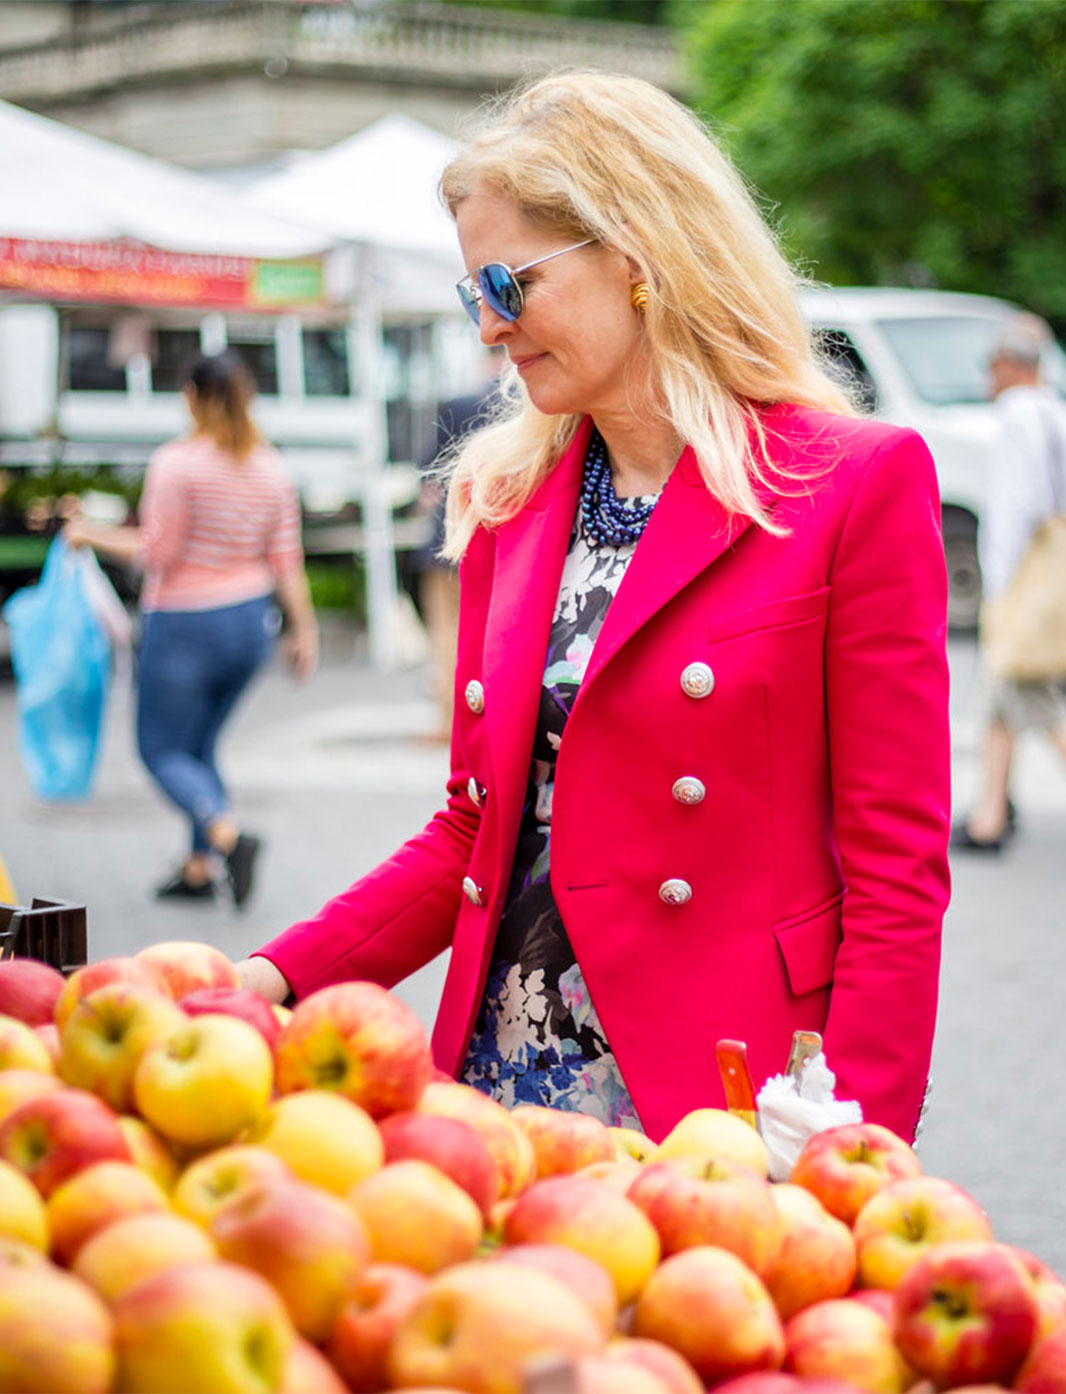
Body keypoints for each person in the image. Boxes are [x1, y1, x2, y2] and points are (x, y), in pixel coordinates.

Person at [239, 72, 950, 1144]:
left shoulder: (850, 482)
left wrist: (854, 1138)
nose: (488, 327)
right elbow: (477, 828)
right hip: (501, 1073)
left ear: (634, 256)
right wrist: (268, 976)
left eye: (506, 282)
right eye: (469, 294)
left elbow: (897, 873)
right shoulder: (504, 496)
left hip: (726, 1097)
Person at [65, 350, 319, 906]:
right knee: (200, 746)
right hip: (250, 624)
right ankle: (200, 869)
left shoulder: (177, 463)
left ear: (193, 397)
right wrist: (304, 630)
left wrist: (88, 533)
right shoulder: (271, 466)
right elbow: (286, 559)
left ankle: (228, 836)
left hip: (185, 624)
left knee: (161, 751)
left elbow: (160, 551)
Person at [952, 317, 1066, 852]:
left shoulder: (1020, 415)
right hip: (1040, 577)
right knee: (1002, 701)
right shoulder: (1050, 410)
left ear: (1010, 365)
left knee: (1033, 699)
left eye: (991, 366)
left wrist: (1002, 583)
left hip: (1022, 579)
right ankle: (991, 816)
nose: (987, 378)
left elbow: (1023, 505)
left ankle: (990, 817)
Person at [411, 347, 503, 739]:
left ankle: (448, 724)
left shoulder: (459, 404)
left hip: (445, 538)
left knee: (447, 634)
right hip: (496, 538)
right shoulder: (526, 410)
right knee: (488, 636)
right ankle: (487, 724)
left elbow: (428, 476)